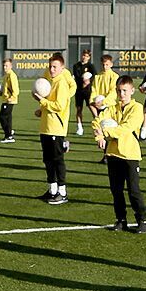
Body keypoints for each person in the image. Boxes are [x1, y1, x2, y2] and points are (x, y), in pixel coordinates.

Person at [96, 76, 146, 233]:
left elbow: (126, 128)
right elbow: (97, 121)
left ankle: (142, 220)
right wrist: (99, 136)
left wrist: (105, 132)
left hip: (130, 155)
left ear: (132, 91)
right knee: (116, 190)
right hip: (113, 154)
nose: (122, 94)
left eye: (125, 90)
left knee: (133, 190)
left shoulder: (137, 108)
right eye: (119, 91)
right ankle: (121, 220)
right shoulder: (113, 108)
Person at [36, 53, 75, 204]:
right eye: (50, 66)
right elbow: (49, 103)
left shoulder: (61, 83)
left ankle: (62, 192)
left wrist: (43, 102)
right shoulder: (50, 82)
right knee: (48, 160)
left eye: (55, 67)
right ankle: (52, 190)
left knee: (57, 160)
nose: (52, 70)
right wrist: (41, 109)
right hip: (45, 127)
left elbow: (59, 106)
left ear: (62, 68)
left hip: (56, 128)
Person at [72, 49, 96, 136]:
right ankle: (80, 128)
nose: (84, 57)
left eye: (86, 56)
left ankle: (97, 126)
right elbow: (76, 76)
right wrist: (82, 81)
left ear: (89, 57)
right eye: (83, 55)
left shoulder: (91, 66)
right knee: (79, 109)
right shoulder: (76, 66)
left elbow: (94, 76)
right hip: (78, 90)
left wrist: (89, 81)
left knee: (91, 107)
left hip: (88, 91)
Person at [0, 57, 19, 143]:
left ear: (11, 66)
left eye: (6, 66)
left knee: (2, 116)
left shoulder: (12, 75)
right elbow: (6, 89)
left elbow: (16, 89)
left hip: (9, 100)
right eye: (4, 66)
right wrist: (0, 93)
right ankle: (9, 132)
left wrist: (12, 98)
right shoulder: (6, 75)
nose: (5, 68)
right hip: (6, 99)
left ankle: (9, 135)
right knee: (8, 118)